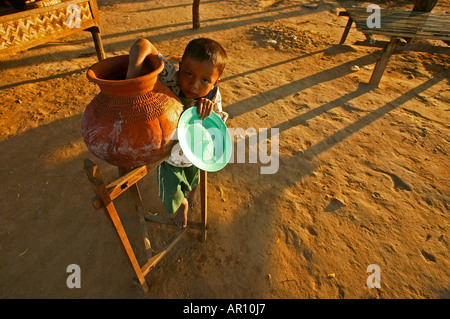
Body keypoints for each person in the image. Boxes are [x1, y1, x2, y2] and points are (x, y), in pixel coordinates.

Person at [126, 37, 228, 228]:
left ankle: (192, 194)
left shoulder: (213, 96)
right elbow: (143, 44)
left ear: (215, 83)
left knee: (194, 178)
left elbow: (219, 128)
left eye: (205, 80)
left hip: (197, 155)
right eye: (189, 74)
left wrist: (209, 112)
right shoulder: (171, 77)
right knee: (171, 193)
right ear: (180, 67)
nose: (194, 85)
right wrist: (130, 80)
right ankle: (182, 204)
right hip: (169, 157)